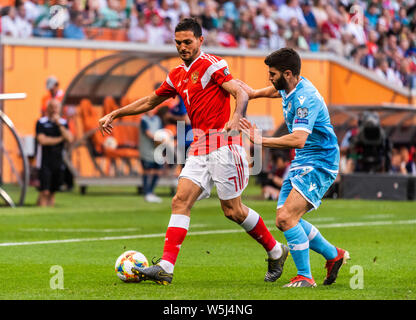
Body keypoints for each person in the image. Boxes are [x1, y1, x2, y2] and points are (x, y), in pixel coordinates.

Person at [99, 18, 288, 285]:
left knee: (233, 210)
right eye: (178, 43)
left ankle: (276, 251)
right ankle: (166, 267)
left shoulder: (212, 64)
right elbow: (152, 100)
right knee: (180, 200)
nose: (182, 47)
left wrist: (237, 117)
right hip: (200, 146)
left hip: (224, 144)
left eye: (187, 42)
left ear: (200, 40)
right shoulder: (176, 74)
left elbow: (240, 93)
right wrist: (115, 113)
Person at [238, 48, 349, 288]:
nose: (270, 78)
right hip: (303, 161)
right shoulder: (292, 85)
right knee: (284, 220)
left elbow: (298, 138)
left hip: (320, 161)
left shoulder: (304, 98)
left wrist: (262, 141)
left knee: (287, 217)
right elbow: (277, 91)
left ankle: (305, 277)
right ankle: (333, 255)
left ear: (288, 73)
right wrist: (254, 93)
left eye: (273, 74)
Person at [35, 99, 73, 207]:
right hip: (44, 161)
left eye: (56, 107)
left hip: (58, 160)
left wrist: (58, 124)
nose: (54, 109)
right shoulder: (41, 122)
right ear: (48, 108)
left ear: (60, 108)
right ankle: (40, 211)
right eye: (52, 106)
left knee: (52, 192)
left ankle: (48, 214)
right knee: (44, 191)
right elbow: (42, 140)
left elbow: (69, 138)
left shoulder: (63, 123)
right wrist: (60, 139)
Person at [140, 109, 164, 203]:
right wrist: (158, 139)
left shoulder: (157, 119)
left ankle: (151, 191)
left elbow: (161, 131)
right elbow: (147, 133)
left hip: (157, 150)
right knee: (147, 171)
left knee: (158, 171)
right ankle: (147, 193)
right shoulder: (143, 119)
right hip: (146, 149)